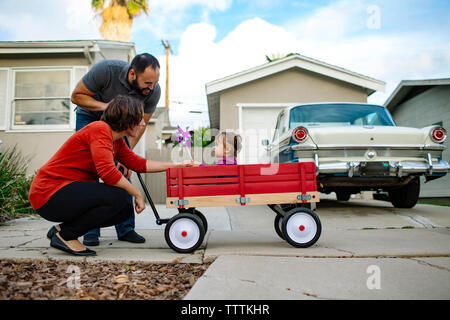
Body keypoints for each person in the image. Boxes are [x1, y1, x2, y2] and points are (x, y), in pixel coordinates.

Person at [29, 95, 197, 256]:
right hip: (49, 193)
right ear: (127, 119)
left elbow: (138, 164)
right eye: (139, 119)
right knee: (118, 196)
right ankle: (66, 236)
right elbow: (108, 173)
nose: (142, 123)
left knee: (123, 209)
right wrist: (137, 193)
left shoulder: (116, 140)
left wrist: (177, 166)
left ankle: (62, 230)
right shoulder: (99, 129)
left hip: (65, 193)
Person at [71, 53, 161, 246]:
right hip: (90, 116)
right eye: (147, 82)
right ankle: (90, 230)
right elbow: (76, 96)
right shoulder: (106, 70)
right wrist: (106, 107)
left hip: (122, 125)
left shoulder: (153, 91)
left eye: (154, 82)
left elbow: (140, 125)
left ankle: (126, 229)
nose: (151, 88)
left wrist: (124, 158)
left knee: (122, 170)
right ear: (132, 74)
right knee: (89, 171)